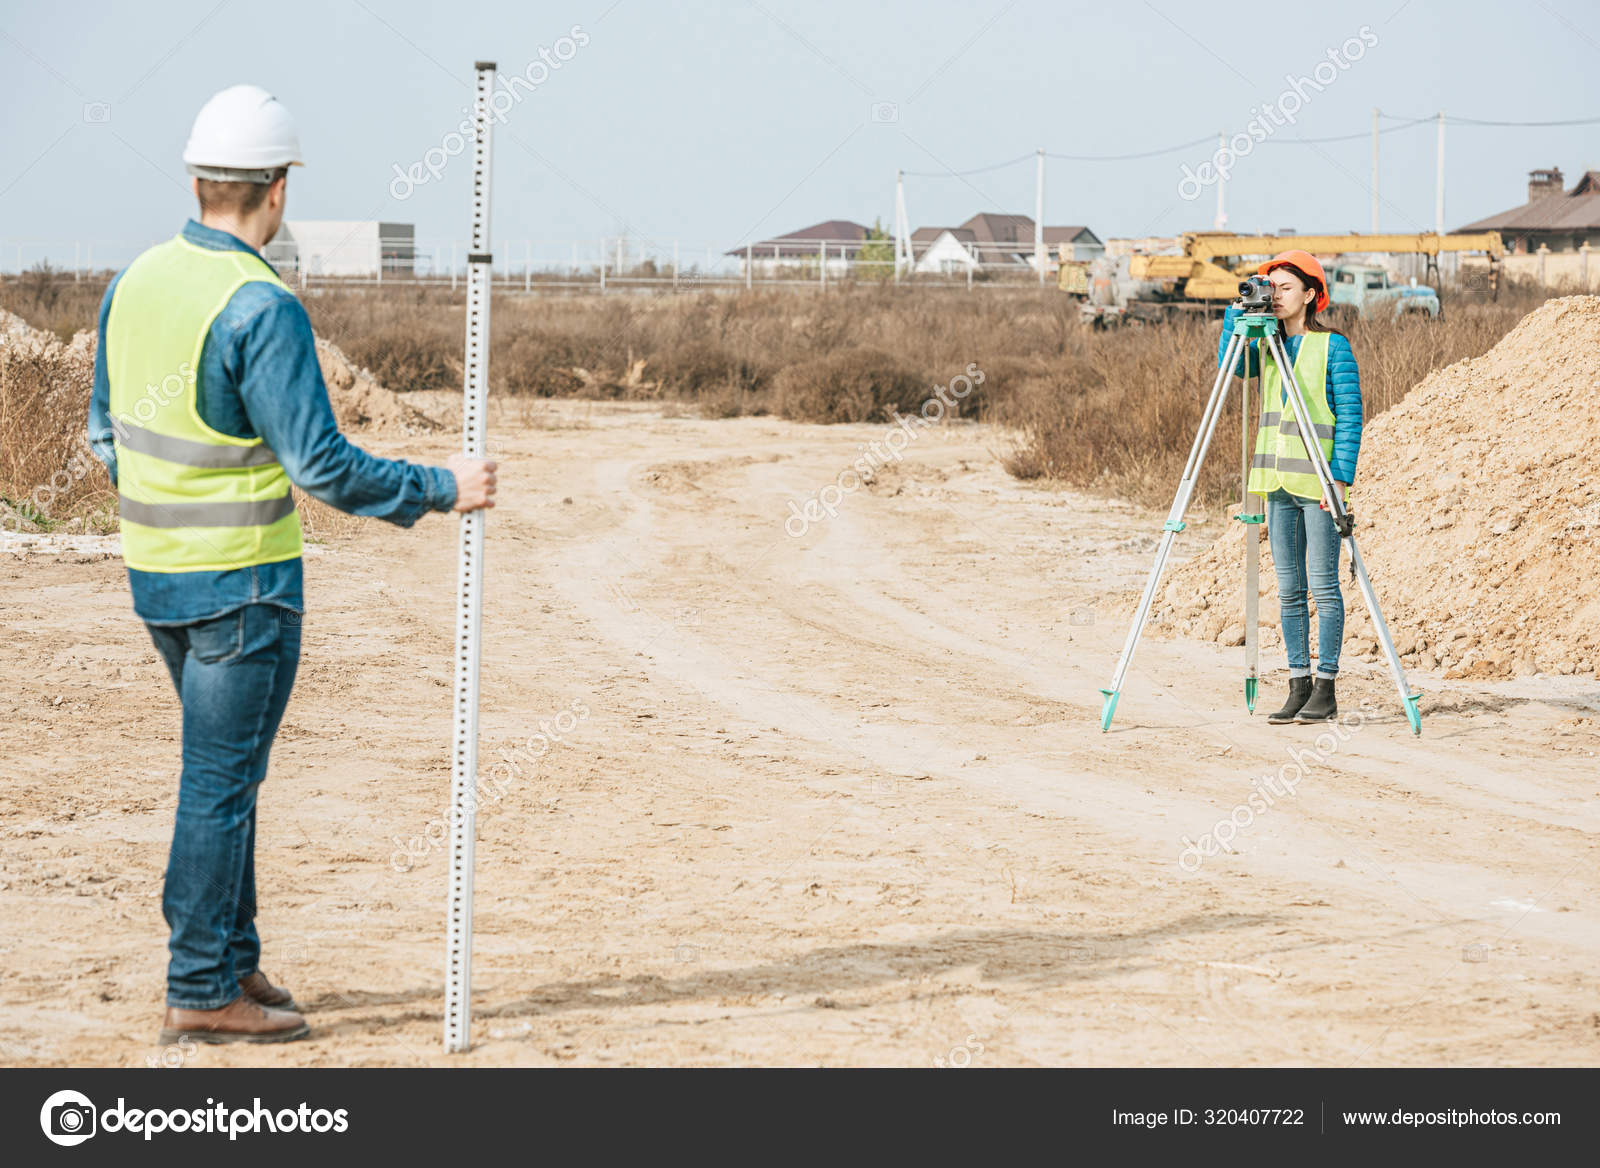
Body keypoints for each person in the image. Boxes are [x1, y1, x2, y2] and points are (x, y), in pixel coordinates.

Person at [88, 84, 497, 1044]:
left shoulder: (134, 281)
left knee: (227, 777)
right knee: (220, 783)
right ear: (275, 191)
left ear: (198, 181)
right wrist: (443, 486)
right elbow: (322, 464)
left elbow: (105, 434)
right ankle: (200, 985)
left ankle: (229, 959)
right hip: (242, 587)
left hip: (159, 580)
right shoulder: (259, 305)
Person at [1217, 249, 1363, 725]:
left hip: (1319, 483)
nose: (1275, 295)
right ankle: (1297, 682)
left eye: (1284, 288)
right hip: (1276, 481)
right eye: (1269, 286)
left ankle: (1326, 686)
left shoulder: (1333, 348)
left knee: (1323, 586)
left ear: (1310, 295)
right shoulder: (1265, 344)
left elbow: (1349, 418)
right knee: (1289, 591)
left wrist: (1340, 480)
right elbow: (1233, 369)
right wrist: (1233, 320)